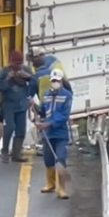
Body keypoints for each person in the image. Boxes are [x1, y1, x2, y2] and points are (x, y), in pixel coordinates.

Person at [37, 70, 73, 200]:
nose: (55, 83)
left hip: (60, 133)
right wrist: (35, 108)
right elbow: (42, 111)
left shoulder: (67, 96)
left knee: (61, 159)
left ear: (62, 81)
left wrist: (49, 124)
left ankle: (62, 188)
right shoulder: (46, 95)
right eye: (53, 81)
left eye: (57, 80)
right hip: (48, 134)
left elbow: (64, 116)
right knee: (48, 160)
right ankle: (50, 184)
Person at [0, 50, 32, 163]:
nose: (18, 66)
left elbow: (35, 83)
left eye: (19, 64)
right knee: (9, 127)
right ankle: (5, 151)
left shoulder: (26, 70)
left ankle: (16, 154)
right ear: (11, 62)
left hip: (22, 104)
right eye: (15, 64)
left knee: (21, 130)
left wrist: (28, 77)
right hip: (9, 105)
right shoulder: (4, 71)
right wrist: (8, 79)